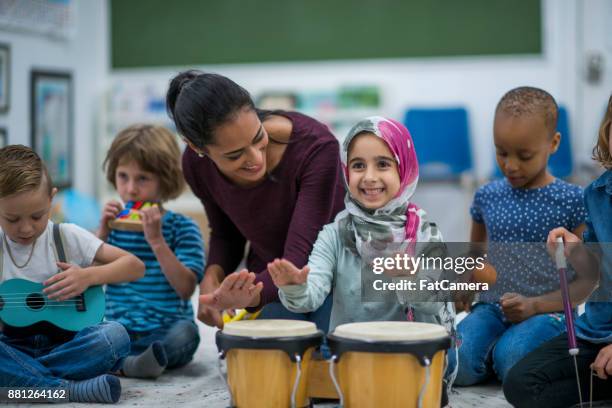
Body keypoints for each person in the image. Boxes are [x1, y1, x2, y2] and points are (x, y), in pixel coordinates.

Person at [268, 117, 457, 391]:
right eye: (358, 165)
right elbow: (310, 297)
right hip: (352, 356)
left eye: (383, 164)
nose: (369, 177)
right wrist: (294, 286)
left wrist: (409, 277)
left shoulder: (426, 232)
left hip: (412, 359)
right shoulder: (334, 233)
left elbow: (434, 304)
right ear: (346, 170)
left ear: (404, 168)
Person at [166, 70, 345, 330]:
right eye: (235, 155)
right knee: (258, 343)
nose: (255, 158)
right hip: (266, 279)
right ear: (197, 148)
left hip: (329, 276)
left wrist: (250, 295)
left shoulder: (317, 148)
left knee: (325, 341)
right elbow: (226, 234)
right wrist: (212, 277)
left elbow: (301, 256)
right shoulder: (195, 165)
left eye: (258, 137)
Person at [455, 87, 589, 385]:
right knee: (457, 361)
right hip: (492, 307)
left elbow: (588, 280)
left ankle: (501, 356)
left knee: (512, 357)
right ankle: (491, 356)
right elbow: (475, 255)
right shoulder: (486, 196)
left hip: (548, 312)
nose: (511, 165)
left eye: (524, 155)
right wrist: (464, 282)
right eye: (501, 153)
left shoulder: (572, 200)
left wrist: (535, 306)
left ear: (553, 144)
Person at [0, 145, 144, 403]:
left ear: (51, 200)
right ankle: (65, 388)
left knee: (115, 336)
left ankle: (23, 383)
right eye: (12, 219)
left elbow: (134, 265)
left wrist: (87, 277)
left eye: (36, 216)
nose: (25, 228)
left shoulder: (66, 236)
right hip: (13, 348)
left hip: (68, 345)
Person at [503, 94, 612, 407]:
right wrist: (573, 251)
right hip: (596, 332)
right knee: (520, 384)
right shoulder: (597, 193)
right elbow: (593, 274)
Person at [98, 125, 205, 379]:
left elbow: (186, 288)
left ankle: (126, 363)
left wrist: (156, 240)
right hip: (118, 329)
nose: (131, 189)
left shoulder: (183, 227)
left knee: (186, 335)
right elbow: (89, 276)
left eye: (143, 178)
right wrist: (101, 233)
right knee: (83, 332)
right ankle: (133, 363)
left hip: (165, 330)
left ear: (165, 179)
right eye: (123, 176)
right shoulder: (111, 227)